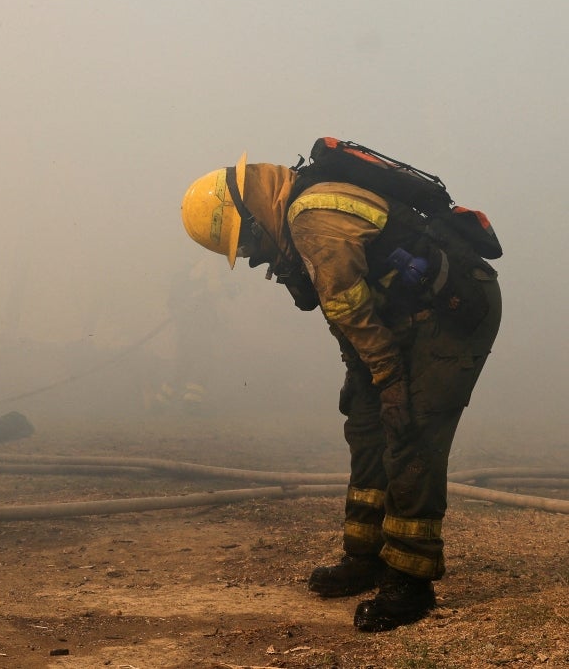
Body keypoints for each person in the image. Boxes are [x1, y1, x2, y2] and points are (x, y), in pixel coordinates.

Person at [180, 152, 501, 632]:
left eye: (245, 243)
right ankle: (365, 557)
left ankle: (410, 581)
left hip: (454, 315)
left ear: (253, 214)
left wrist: (389, 380)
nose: (252, 256)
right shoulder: (297, 216)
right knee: (367, 426)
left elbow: (347, 304)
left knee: (411, 433)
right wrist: (363, 373)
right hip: (399, 321)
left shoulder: (312, 218)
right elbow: (346, 309)